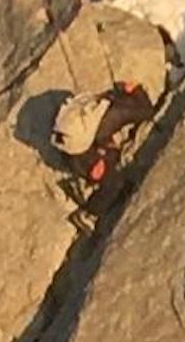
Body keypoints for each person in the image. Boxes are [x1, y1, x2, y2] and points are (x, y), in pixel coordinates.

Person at [50, 80, 155, 233]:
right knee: (113, 182)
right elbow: (147, 110)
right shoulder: (122, 110)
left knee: (108, 159)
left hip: (74, 139)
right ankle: (87, 214)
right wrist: (136, 90)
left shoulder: (107, 103)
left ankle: (92, 184)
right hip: (81, 151)